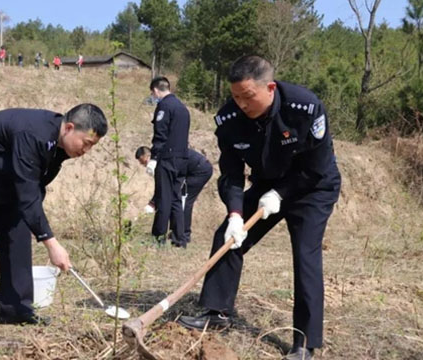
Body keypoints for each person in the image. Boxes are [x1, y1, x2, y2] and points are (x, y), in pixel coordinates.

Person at [177, 56, 341, 360]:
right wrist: (235, 214)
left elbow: (316, 167)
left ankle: (304, 342)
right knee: (227, 239)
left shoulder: (305, 108)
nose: (241, 104)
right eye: (235, 96)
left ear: (270, 88)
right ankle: (216, 311)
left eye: (248, 96)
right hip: (267, 182)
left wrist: (282, 193)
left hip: (312, 188)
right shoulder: (229, 120)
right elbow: (231, 173)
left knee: (305, 255)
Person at [0, 104, 108, 329]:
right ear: (69, 127)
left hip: (0, 177)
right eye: (86, 143)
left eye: (92, 146)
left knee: (17, 232)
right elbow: (28, 195)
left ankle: (16, 310)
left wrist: (33, 219)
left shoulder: (58, 146)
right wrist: (51, 243)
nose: (86, 151)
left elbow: (34, 189)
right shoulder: (33, 134)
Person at [136, 146, 212, 248]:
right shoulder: (162, 156)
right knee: (176, 197)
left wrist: (153, 202)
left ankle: (184, 235)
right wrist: (153, 202)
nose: (145, 165)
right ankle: (177, 233)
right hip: (194, 169)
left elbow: (163, 188)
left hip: (200, 170)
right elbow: (164, 187)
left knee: (183, 199)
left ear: (148, 156)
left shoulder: (161, 159)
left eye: (144, 162)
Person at [145, 76, 191, 246]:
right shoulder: (183, 108)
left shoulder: (164, 106)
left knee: (163, 197)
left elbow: (161, 135)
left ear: (156, 90)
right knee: (176, 198)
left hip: (167, 158)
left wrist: (154, 157)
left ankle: (158, 237)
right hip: (183, 157)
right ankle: (180, 238)